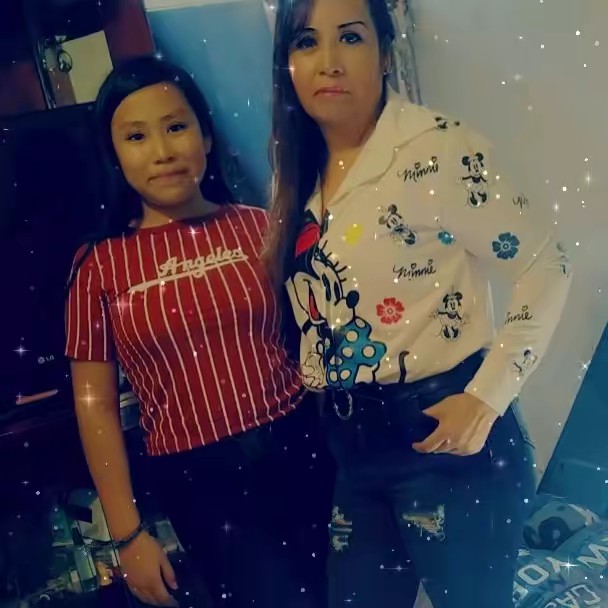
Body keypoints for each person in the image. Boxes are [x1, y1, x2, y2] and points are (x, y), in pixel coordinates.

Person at [264, 0, 573, 607]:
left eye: (350, 37)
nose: (328, 61)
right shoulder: (298, 173)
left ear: (385, 52)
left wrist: (487, 398)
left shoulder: (439, 150)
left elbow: (545, 264)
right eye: (305, 42)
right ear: (287, 65)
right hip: (354, 450)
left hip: (443, 440)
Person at [65, 55, 332, 608]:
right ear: (113, 154)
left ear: (205, 136)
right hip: (202, 483)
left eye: (176, 127)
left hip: (302, 448)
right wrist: (127, 535)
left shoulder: (261, 227)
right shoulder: (97, 267)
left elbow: (319, 335)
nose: (162, 151)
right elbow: (95, 408)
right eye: (136, 136)